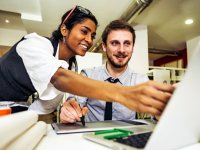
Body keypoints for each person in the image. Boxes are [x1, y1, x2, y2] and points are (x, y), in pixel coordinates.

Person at [0, 5, 174, 123]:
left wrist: (25, 118)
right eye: (84, 31)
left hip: (13, 113)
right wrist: (123, 94)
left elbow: (45, 106)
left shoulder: (71, 67)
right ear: (64, 29)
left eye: (92, 35)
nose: (89, 40)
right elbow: (60, 78)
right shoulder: (35, 44)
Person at [59, 20, 173, 123]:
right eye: (115, 43)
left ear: (133, 47)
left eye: (127, 43)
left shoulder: (141, 81)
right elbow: (74, 103)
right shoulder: (88, 75)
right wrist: (69, 111)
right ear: (104, 46)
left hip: (126, 141)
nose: (122, 50)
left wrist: (161, 111)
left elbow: (154, 115)